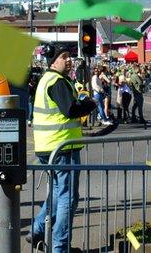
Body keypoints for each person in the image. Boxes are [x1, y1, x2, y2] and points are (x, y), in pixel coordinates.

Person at [29, 46, 96, 253]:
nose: (68, 60)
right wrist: (90, 104)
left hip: (48, 147)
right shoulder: (57, 81)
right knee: (68, 198)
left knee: (58, 195)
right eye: (63, 57)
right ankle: (61, 247)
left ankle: (37, 230)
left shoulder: (47, 80)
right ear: (53, 61)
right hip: (62, 147)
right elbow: (70, 110)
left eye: (69, 56)